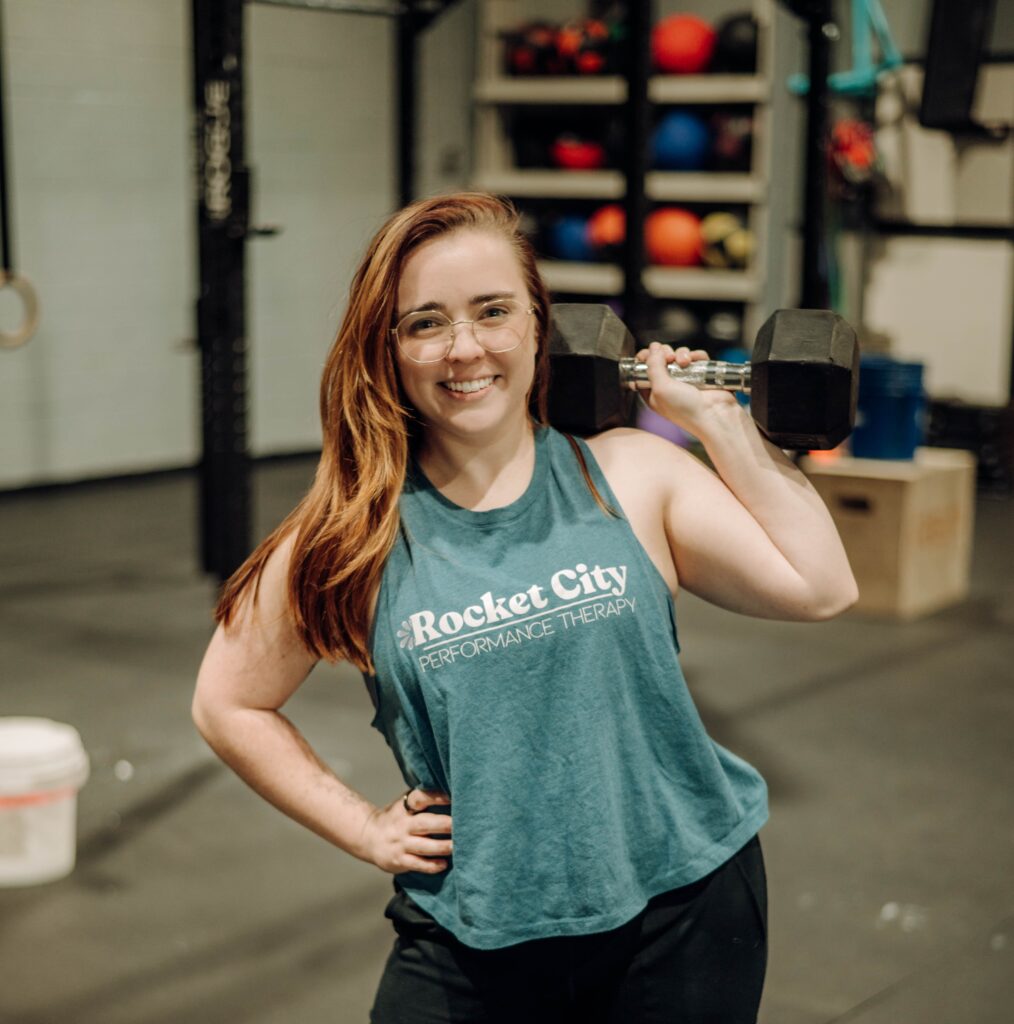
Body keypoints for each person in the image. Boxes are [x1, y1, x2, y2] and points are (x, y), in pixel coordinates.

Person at [192, 192, 858, 1023]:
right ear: (387, 349)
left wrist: (716, 422)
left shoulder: (628, 473)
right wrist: (363, 829)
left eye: (493, 311)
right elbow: (228, 702)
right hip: (475, 930)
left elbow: (821, 586)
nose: (465, 348)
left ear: (539, 326)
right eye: (426, 323)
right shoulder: (352, 533)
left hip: (683, 909)